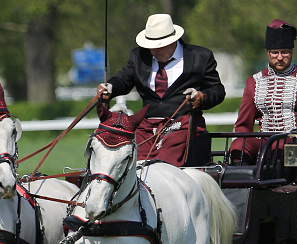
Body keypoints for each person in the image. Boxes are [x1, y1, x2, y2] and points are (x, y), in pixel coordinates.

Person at [97, 14, 226, 166]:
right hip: (146, 127)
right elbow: (123, 79)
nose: (152, 52)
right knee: (135, 166)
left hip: (183, 125)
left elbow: (217, 90)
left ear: (172, 42)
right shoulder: (138, 56)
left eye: (157, 47)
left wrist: (201, 97)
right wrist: (109, 88)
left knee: (162, 166)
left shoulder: (200, 57)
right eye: (149, 46)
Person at [230, 19, 297, 164]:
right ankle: (242, 182)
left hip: (296, 143)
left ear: (291, 52)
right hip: (264, 144)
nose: (280, 57)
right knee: (240, 145)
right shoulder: (254, 82)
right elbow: (243, 125)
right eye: (275, 53)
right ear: (268, 53)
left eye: (285, 52)